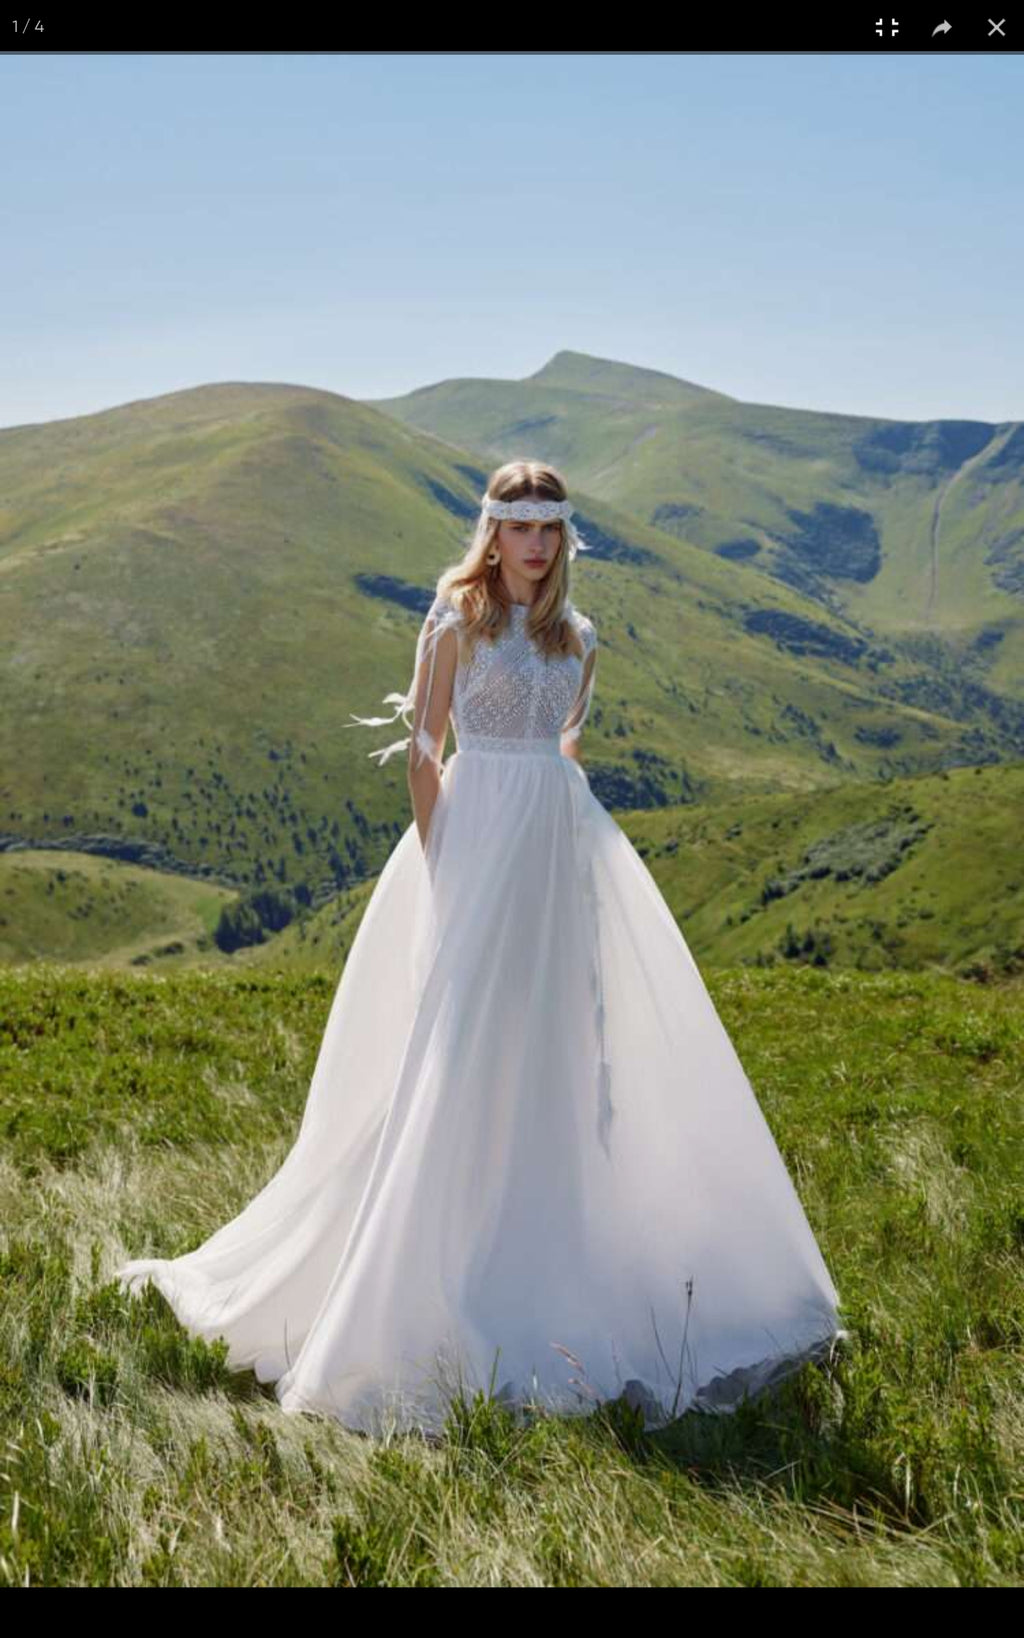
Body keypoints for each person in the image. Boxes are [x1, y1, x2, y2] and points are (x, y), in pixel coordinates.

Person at [115, 459, 849, 1437]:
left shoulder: (579, 638)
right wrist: (443, 868)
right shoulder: (454, 623)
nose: (536, 548)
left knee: (553, 1057)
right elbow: (424, 752)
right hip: (469, 849)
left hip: (555, 855)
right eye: (520, 528)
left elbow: (567, 754)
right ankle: (425, 1277)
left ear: (563, 538)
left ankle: (554, 1257)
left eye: (550, 529)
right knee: (454, 1055)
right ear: (491, 532)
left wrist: (574, 868)